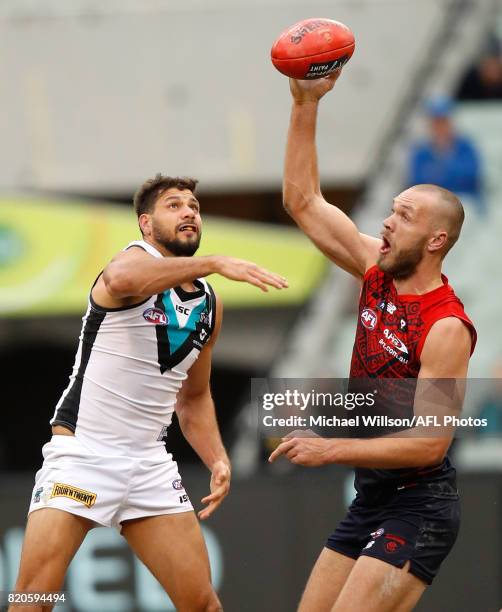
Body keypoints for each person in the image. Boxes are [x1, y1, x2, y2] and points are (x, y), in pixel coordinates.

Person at [11, 174, 288, 612]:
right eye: (174, 205)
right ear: (145, 224)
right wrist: (213, 261)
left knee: (203, 606)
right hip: (83, 456)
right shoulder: (130, 265)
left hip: (148, 467)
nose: (189, 212)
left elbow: (193, 398)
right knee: (34, 598)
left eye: (194, 206)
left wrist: (216, 457)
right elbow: (123, 279)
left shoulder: (209, 304)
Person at [269, 72, 477, 612]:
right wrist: (304, 102)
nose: (385, 222)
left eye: (403, 217)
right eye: (391, 210)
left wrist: (329, 447)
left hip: (421, 507)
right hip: (373, 497)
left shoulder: (446, 326)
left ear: (435, 240)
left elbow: (431, 443)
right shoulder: (375, 270)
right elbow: (303, 201)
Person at [407, 95, 484, 214]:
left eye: (443, 121)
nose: (440, 126)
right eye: (436, 121)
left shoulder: (465, 146)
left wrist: (438, 172)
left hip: (464, 201)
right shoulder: (421, 151)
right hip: (432, 203)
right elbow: (418, 182)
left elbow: (471, 176)